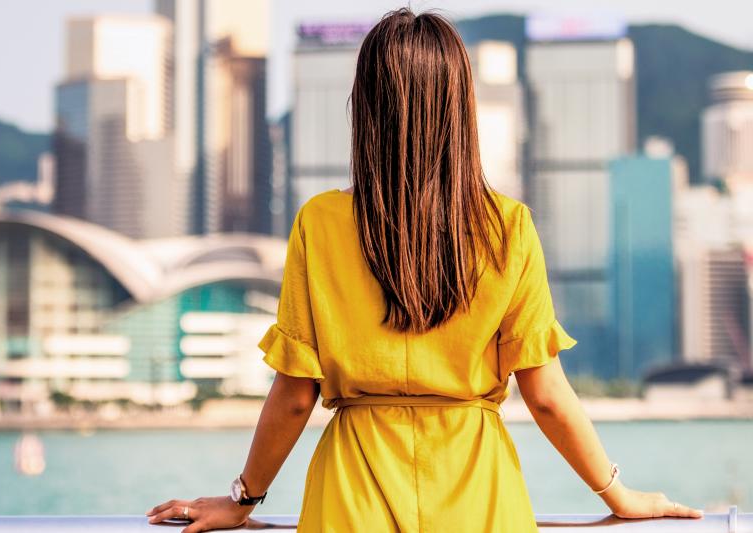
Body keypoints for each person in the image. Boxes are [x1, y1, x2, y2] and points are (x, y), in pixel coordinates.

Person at [146, 7, 704, 532]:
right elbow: (548, 396)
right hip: (479, 491)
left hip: (352, 492)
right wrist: (619, 497)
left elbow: (295, 395)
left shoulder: (320, 222)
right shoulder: (508, 226)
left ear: (365, 108)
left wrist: (243, 500)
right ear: (462, 107)